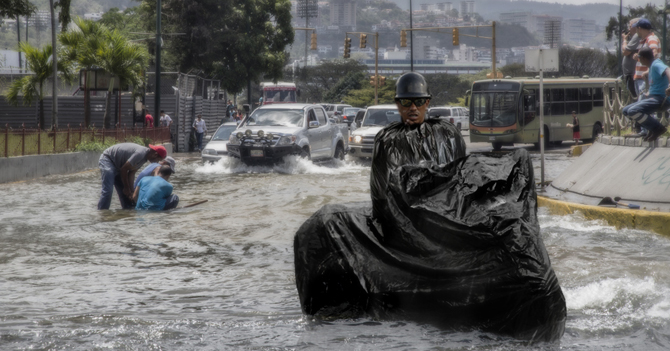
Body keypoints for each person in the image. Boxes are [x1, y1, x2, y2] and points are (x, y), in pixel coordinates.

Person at [98, 143, 166, 210]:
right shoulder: (140, 154)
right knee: (108, 191)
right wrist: (127, 188)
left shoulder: (144, 159)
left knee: (125, 194)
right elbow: (124, 169)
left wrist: (131, 191)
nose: (157, 162)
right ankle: (103, 213)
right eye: (158, 160)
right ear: (155, 154)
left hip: (119, 166)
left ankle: (128, 213)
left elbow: (131, 173)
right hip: (108, 160)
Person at [622, 47, 670, 142]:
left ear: (643, 58)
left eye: (639, 57)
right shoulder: (652, 66)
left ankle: (658, 128)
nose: (638, 59)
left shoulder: (656, 64)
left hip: (661, 99)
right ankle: (651, 129)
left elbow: (668, 70)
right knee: (626, 110)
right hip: (654, 98)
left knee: (633, 111)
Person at [622, 18, 641, 99]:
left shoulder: (637, 36)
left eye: (630, 26)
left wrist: (624, 40)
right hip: (630, 74)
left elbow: (625, 52)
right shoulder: (635, 37)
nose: (628, 29)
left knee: (634, 98)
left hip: (632, 74)